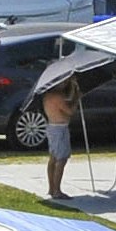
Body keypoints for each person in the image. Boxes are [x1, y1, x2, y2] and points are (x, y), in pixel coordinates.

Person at [41, 73, 79, 202]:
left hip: (52, 127)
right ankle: (57, 190)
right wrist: (76, 98)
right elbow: (70, 111)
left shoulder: (47, 96)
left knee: (53, 158)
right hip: (59, 129)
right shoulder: (57, 97)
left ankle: (52, 188)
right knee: (61, 159)